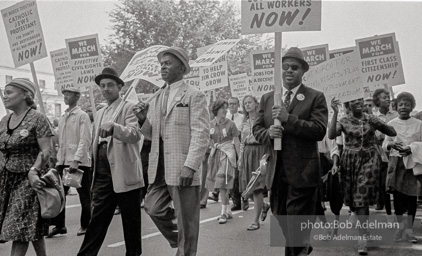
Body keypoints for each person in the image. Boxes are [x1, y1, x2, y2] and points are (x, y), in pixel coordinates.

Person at [253, 47, 328, 256]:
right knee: (281, 216)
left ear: (303, 71)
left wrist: (289, 119)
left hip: (303, 171)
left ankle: (299, 249)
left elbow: (319, 130)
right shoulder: (268, 98)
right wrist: (269, 133)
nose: (289, 71)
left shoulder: (315, 97)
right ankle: (302, 245)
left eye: (294, 67)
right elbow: (256, 129)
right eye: (285, 67)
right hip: (276, 172)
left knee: (295, 222)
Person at [135, 46, 210, 256]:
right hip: (159, 168)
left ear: (182, 67)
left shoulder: (194, 95)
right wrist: (143, 120)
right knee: (152, 207)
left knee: (187, 221)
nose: (163, 67)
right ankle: (183, 240)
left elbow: (201, 133)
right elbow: (153, 134)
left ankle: (186, 246)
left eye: (168, 63)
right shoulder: (157, 96)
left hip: (182, 167)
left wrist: (190, 166)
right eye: (161, 64)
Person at [77, 67, 143, 256]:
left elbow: (135, 135)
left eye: (110, 85)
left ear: (119, 87)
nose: (105, 89)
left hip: (125, 171)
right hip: (103, 172)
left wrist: (115, 128)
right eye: (102, 86)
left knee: (131, 222)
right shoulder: (100, 113)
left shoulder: (130, 107)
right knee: (97, 219)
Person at [328, 97, 396, 255]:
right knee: (354, 197)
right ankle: (362, 225)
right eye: (353, 101)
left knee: (361, 195)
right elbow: (332, 135)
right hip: (350, 161)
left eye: (360, 100)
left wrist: (378, 122)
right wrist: (335, 113)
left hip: (370, 159)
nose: (357, 103)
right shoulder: (344, 121)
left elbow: (392, 132)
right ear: (348, 105)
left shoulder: (371, 119)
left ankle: (362, 237)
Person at [0, 78, 53, 256]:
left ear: (25, 94)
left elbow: (46, 151)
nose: (4, 96)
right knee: (29, 224)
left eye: (9, 92)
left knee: (18, 227)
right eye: (4, 92)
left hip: (29, 180)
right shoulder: (4, 120)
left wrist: (34, 171)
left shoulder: (38, 118)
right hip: (7, 179)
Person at [48, 86, 92, 238]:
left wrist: (76, 160)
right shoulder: (63, 116)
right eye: (64, 93)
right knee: (59, 194)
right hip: (63, 161)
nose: (66, 96)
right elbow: (61, 141)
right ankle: (60, 225)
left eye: (69, 93)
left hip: (78, 163)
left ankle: (86, 225)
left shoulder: (82, 116)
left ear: (77, 96)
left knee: (84, 195)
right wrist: (59, 160)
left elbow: (85, 139)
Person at [383, 92, 422, 243]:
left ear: (412, 106)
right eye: (401, 105)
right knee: (398, 198)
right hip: (397, 163)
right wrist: (391, 144)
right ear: (396, 107)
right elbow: (385, 144)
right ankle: (400, 229)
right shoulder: (391, 124)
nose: (403, 107)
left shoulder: (419, 124)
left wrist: (412, 148)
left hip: (413, 164)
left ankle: (409, 231)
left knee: (412, 197)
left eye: (407, 104)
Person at [238, 95, 271, 230]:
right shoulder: (244, 121)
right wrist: (240, 158)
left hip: (259, 151)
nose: (247, 105)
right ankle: (263, 205)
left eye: (250, 102)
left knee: (256, 186)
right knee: (248, 186)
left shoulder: (262, 119)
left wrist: (267, 156)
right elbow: (242, 141)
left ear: (256, 104)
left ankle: (256, 220)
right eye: (245, 103)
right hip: (247, 153)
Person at [205, 99, 240, 224]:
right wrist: (211, 146)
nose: (225, 110)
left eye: (226, 108)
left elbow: (236, 141)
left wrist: (239, 157)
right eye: (222, 108)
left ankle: (223, 212)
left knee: (222, 183)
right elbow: (207, 139)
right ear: (216, 110)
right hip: (215, 156)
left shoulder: (231, 124)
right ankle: (227, 210)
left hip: (227, 155)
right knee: (219, 184)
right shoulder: (210, 124)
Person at [372, 88, 398, 215]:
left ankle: (400, 208)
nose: (387, 99)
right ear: (377, 100)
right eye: (384, 98)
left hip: (395, 151)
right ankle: (387, 210)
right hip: (380, 153)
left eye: (388, 97)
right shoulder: (374, 117)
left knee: (396, 180)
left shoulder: (396, 115)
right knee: (383, 182)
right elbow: (375, 136)